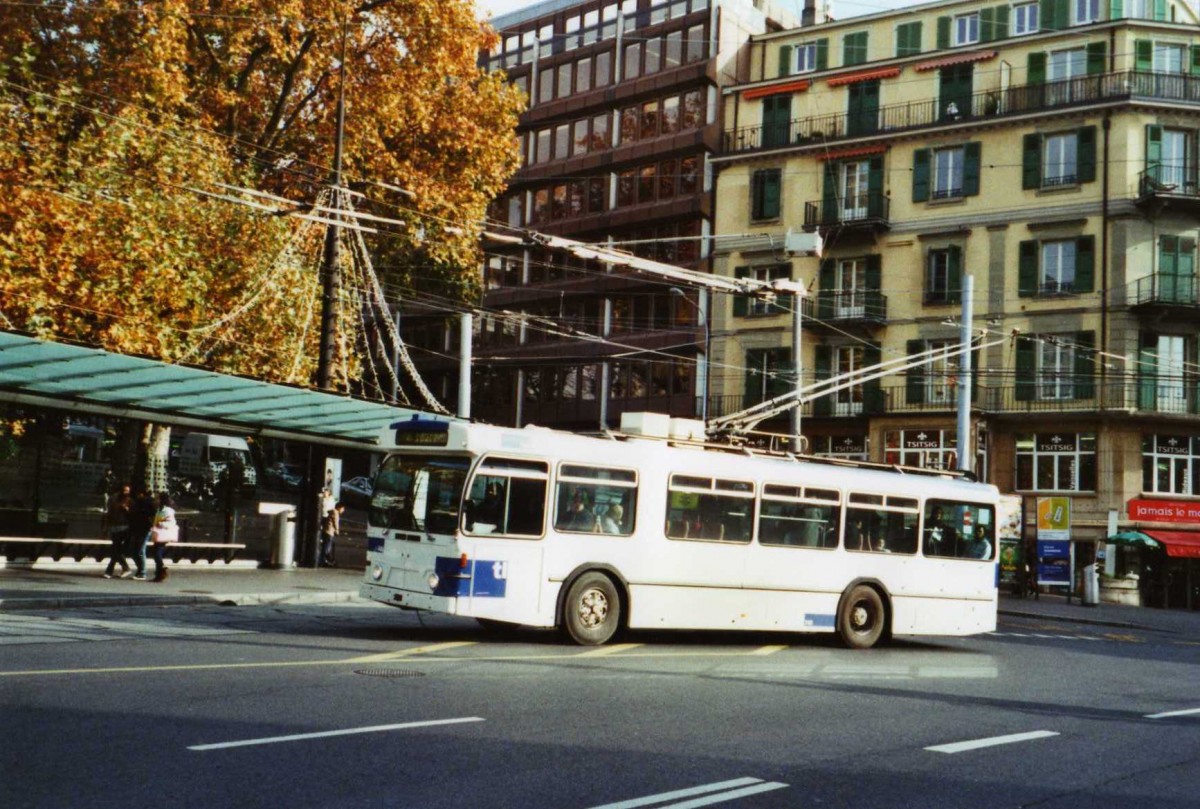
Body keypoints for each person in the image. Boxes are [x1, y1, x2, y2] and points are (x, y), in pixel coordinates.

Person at [102, 485, 133, 578]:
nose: (126, 493)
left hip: (124, 527)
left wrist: (127, 510)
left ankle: (109, 571)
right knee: (116, 550)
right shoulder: (114, 500)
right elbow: (109, 513)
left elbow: (132, 514)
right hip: (117, 526)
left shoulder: (129, 501)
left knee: (116, 549)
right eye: (125, 490)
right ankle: (125, 568)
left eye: (128, 491)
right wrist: (106, 527)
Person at [150, 493, 178, 582]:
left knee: (157, 553)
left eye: (157, 498)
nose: (156, 500)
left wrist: (161, 524)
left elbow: (171, 523)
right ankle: (159, 574)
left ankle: (161, 569)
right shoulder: (159, 509)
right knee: (155, 553)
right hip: (158, 533)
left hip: (163, 534)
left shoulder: (168, 510)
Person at [129, 488, 156, 581]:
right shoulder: (140, 503)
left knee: (138, 550)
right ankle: (140, 570)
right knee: (138, 550)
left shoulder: (145, 503)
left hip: (143, 529)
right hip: (141, 528)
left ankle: (142, 572)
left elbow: (152, 516)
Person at [320, 500, 345, 567]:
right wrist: (337, 531)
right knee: (327, 548)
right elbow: (335, 523)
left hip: (327, 531)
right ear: (339, 508)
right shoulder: (335, 513)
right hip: (329, 531)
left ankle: (325, 560)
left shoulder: (333, 512)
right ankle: (324, 561)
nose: (343, 511)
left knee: (326, 546)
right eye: (343, 509)